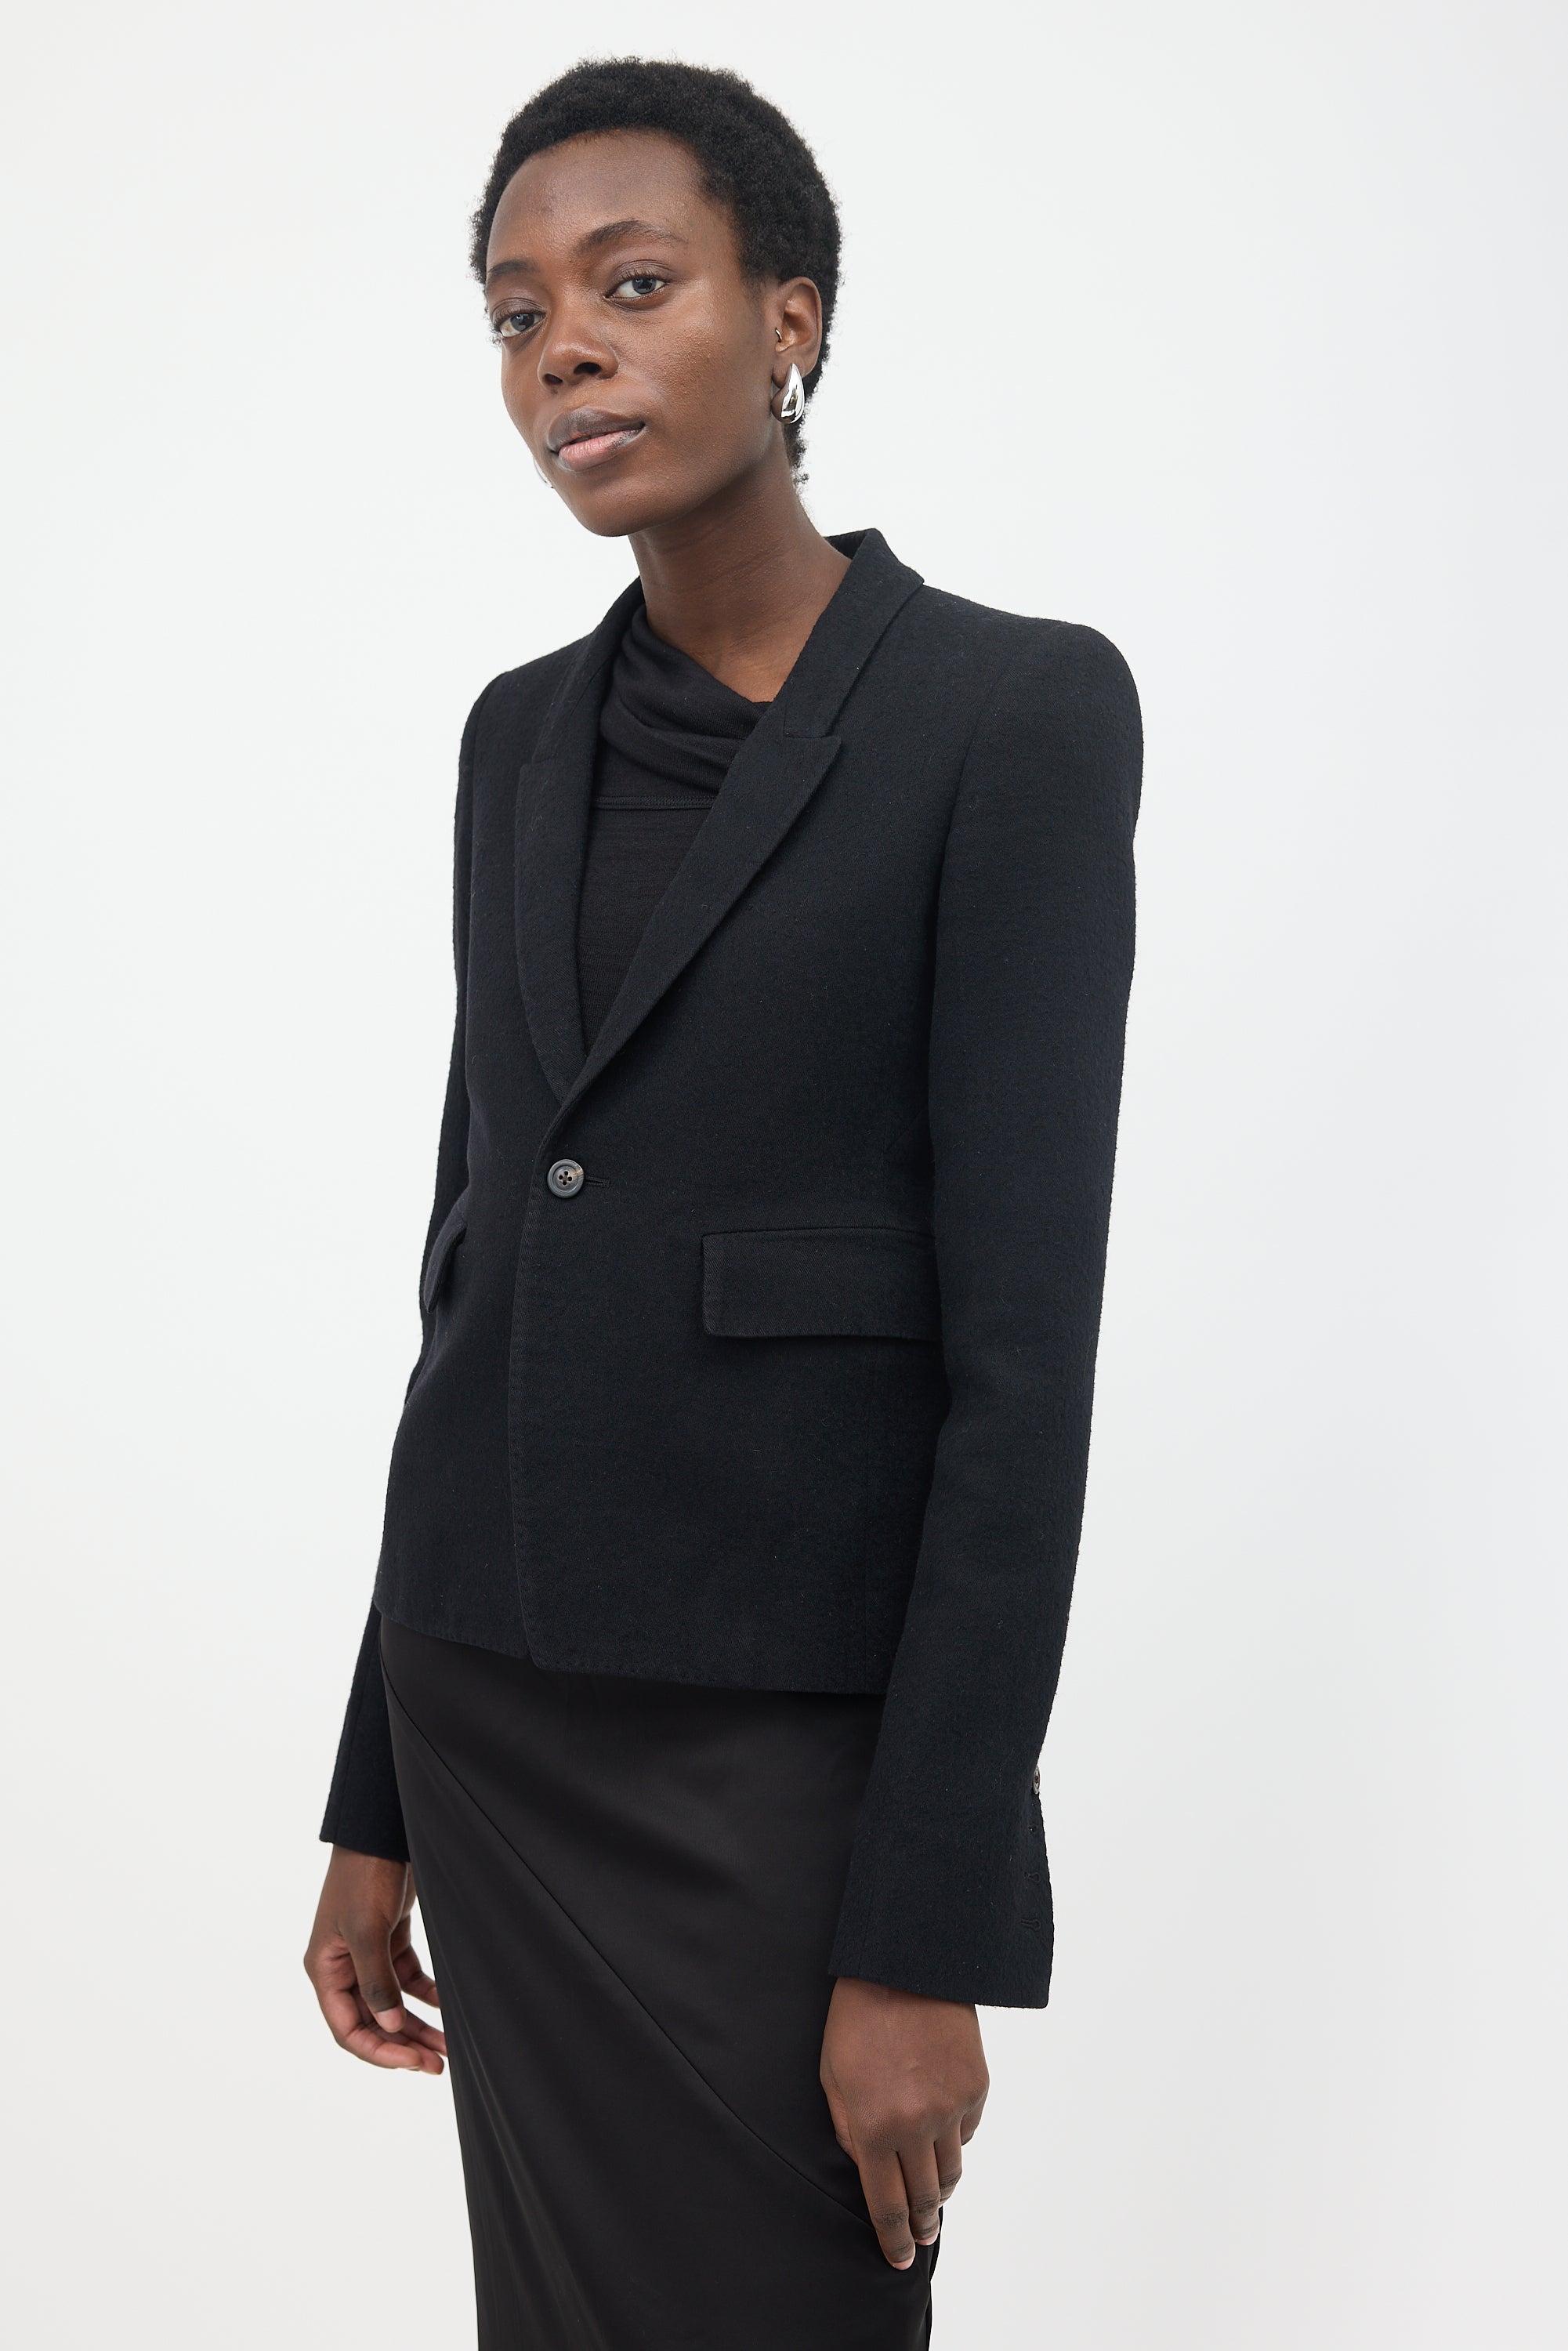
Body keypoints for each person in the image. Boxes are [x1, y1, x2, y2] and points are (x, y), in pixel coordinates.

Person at [303, 56, 1142, 2351]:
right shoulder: (515, 736)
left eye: (631, 285)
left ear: (791, 319)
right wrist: (371, 1797)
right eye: (515, 314)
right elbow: (473, 1270)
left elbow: (1022, 1362)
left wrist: (928, 1930)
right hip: (492, 1713)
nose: (561, 349)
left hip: (787, 1753)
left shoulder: (1011, 715)